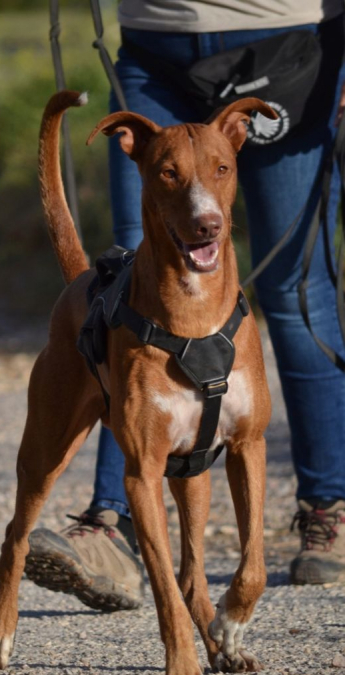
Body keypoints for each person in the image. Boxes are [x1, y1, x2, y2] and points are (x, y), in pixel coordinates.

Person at [25, 0, 345, 609]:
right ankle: (114, 519)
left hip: (287, 41)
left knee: (293, 287)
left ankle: (328, 507)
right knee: (128, 282)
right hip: (157, 44)